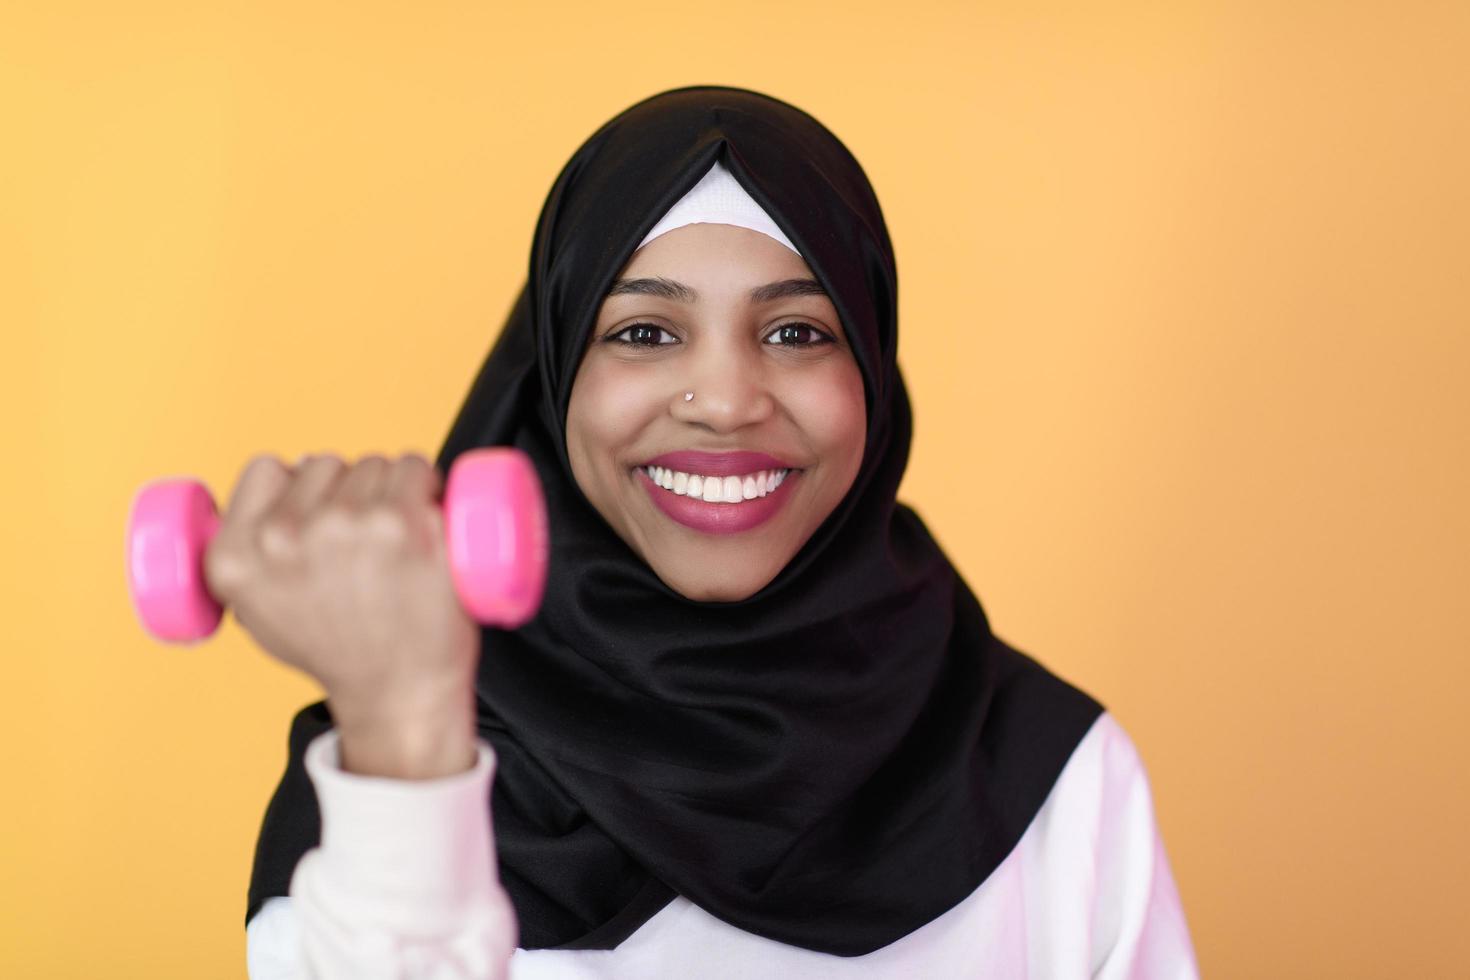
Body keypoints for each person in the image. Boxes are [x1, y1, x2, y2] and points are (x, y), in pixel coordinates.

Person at [226, 85, 1199, 977]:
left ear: (872, 372)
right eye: (645, 331)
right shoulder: (386, 779)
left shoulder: (1056, 778)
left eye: (797, 332)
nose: (728, 402)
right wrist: (403, 725)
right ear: (554, 377)